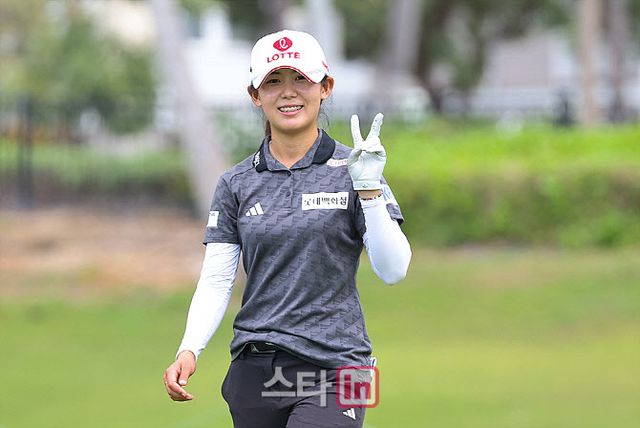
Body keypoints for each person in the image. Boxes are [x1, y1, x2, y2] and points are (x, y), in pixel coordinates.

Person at [163, 29, 412, 428]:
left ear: (325, 87)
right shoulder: (236, 183)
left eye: (301, 79)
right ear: (255, 95)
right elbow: (217, 279)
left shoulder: (357, 169)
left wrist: (368, 191)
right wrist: (189, 348)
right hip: (256, 369)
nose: (288, 92)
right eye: (274, 81)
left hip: (341, 367)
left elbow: (394, 269)